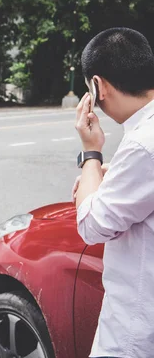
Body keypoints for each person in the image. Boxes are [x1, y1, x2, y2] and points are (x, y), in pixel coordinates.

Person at [74, 27, 154, 358]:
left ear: (99, 86)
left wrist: (91, 155)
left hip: (137, 328)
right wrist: (116, 175)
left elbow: (91, 225)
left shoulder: (142, 144)